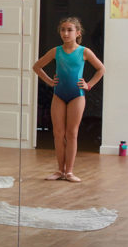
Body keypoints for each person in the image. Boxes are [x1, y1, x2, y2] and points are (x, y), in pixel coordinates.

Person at [32, 17, 105, 183]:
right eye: (63, 30)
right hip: (59, 95)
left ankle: (69, 172)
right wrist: (49, 81)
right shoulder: (56, 51)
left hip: (76, 96)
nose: (65, 33)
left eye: (69, 30)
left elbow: (101, 69)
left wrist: (88, 85)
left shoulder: (84, 52)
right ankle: (60, 170)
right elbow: (37, 66)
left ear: (78, 33)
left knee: (72, 133)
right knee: (58, 133)